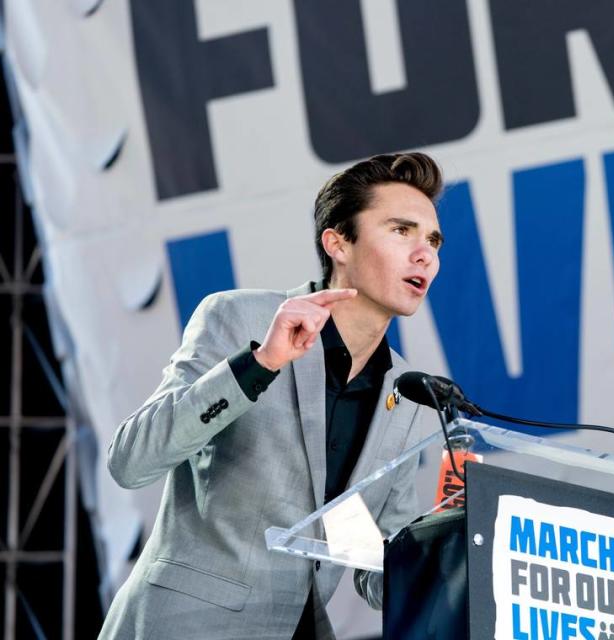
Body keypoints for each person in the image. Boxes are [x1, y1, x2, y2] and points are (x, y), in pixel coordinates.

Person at [99, 153, 445, 639]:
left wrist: (448, 549)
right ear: (338, 242)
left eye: (432, 240)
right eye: (401, 231)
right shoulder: (242, 319)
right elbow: (131, 462)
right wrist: (257, 366)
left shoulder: (407, 395)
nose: (425, 253)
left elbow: (375, 567)